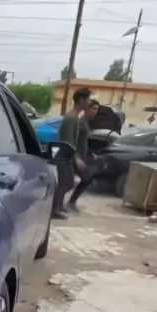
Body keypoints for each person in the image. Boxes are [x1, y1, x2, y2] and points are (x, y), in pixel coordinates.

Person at [52, 86, 92, 219]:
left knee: (67, 181)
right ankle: (55, 208)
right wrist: (76, 159)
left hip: (65, 152)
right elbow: (68, 141)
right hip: (63, 153)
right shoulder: (71, 118)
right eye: (88, 99)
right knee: (65, 182)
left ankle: (58, 205)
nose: (89, 102)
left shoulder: (74, 117)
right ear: (81, 100)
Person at [67, 98, 100, 212]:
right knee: (71, 181)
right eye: (93, 109)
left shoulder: (86, 123)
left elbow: (84, 142)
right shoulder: (80, 123)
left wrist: (90, 153)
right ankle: (65, 203)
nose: (95, 112)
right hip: (75, 156)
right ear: (86, 109)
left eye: (97, 109)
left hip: (81, 156)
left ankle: (70, 202)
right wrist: (76, 157)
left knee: (86, 178)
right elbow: (73, 141)